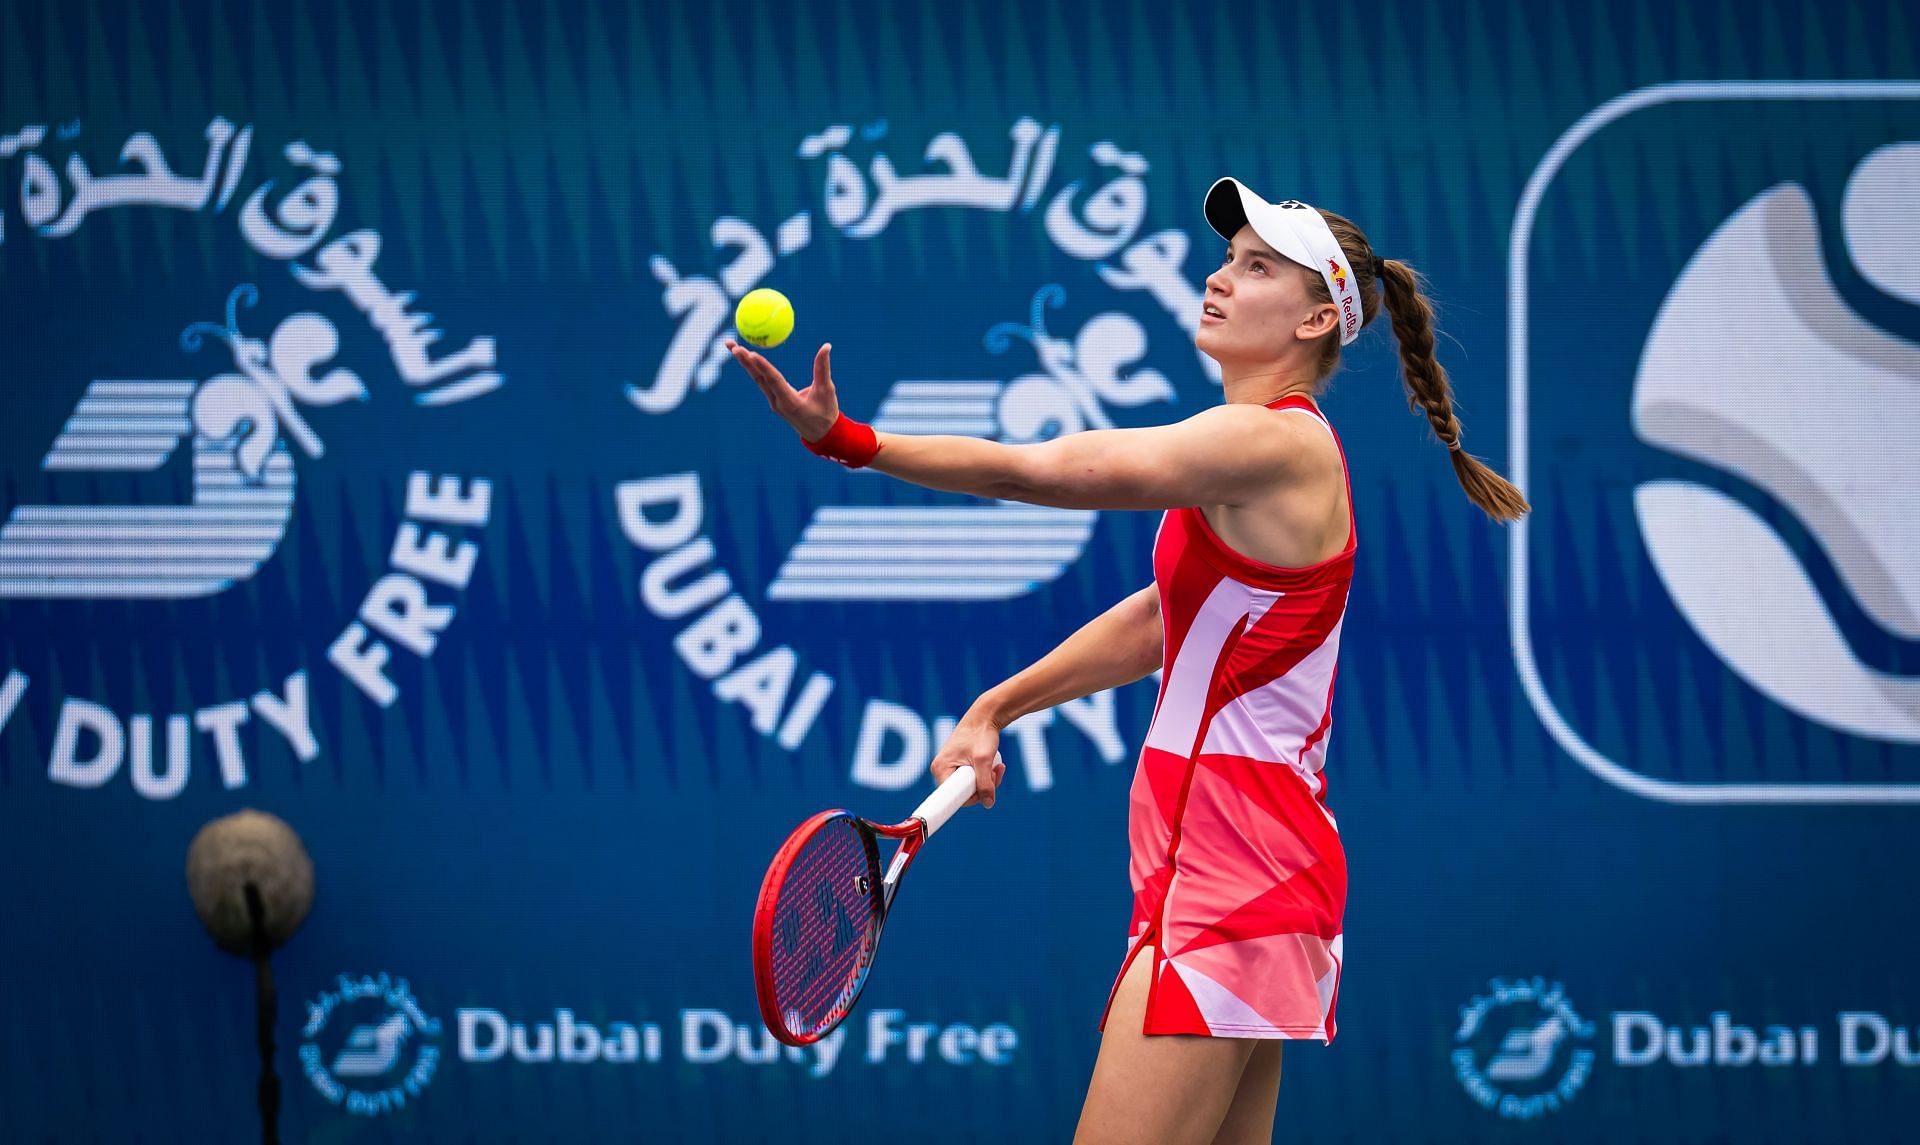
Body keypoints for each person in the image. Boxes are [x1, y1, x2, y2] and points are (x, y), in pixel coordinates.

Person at [727, 178, 1527, 1145]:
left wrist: (850, 441)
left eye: (1258, 266)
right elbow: (1166, 617)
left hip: (1235, 865)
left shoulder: (1269, 443)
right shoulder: (1257, 459)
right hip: (1242, 862)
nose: (1222, 277)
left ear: (1319, 317)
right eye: (1230, 259)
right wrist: (997, 704)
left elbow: (1040, 469)